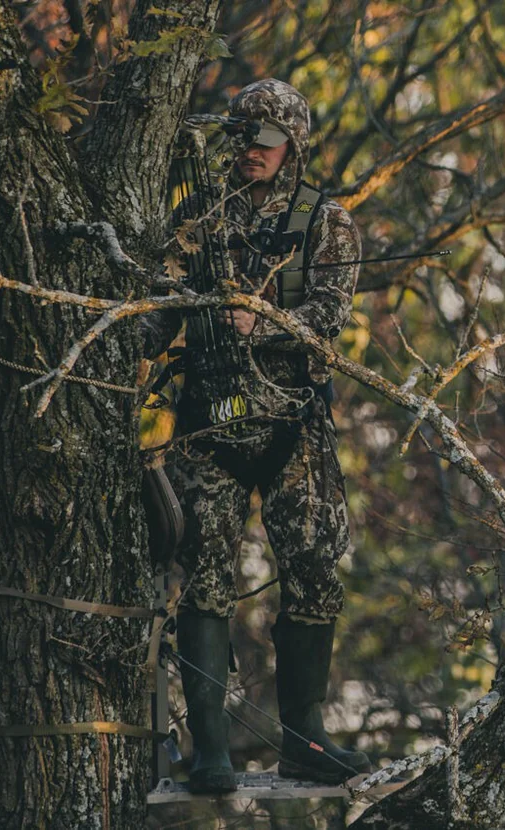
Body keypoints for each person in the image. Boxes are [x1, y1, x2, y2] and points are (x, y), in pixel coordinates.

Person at [148, 78, 370, 793]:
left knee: (312, 570)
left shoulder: (326, 222)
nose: (250, 154)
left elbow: (333, 317)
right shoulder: (198, 216)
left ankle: (304, 741)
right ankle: (209, 749)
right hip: (210, 424)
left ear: (294, 149)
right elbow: (160, 307)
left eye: (266, 144)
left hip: (290, 426)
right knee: (203, 577)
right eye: (242, 140)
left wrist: (264, 319)